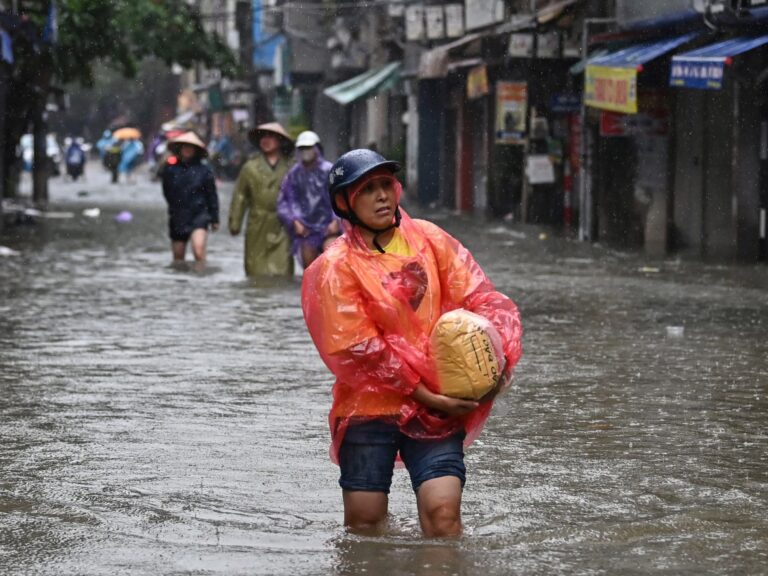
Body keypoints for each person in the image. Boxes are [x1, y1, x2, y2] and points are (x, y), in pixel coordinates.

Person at [301, 149, 523, 537]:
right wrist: (427, 395)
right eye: (368, 189)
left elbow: (481, 298)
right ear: (345, 203)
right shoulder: (335, 268)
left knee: (443, 517)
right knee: (364, 527)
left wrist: (498, 356)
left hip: (438, 406)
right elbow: (359, 350)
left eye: (386, 184)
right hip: (369, 409)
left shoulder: (430, 239)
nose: (382, 195)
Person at [228, 122, 294, 277]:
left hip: (282, 224)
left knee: (283, 271)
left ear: (280, 140)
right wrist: (235, 222)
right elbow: (240, 196)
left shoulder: (291, 168)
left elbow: (299, 197)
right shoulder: (249, 168)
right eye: (263, 137)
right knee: (255, 270)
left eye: (271, 136)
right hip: (257, 224)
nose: (266, 140)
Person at [276, 130, 340, 269]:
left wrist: (336, 219)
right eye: (302, 148)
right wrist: (294, 221)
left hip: (330, 228)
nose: (306, 152)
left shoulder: (329, 170)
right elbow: (283, 202)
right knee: (310, 269)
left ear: (317, 148)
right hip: (307, 231)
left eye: (309, 148)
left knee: (333, 261)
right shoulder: (293, 174)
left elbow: (340, 196)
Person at [161, 131, 219, 264]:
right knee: (178, 258)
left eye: (190, 146)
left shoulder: (204, 171)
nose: (187, 149)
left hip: (199, 215)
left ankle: (201, 279)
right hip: (178, 216)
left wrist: (214, 218)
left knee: (198, 251)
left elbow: (211, 195)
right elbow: (167, 191)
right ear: (180, 149)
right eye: (184, 146)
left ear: (196, 150)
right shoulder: (170, 170)